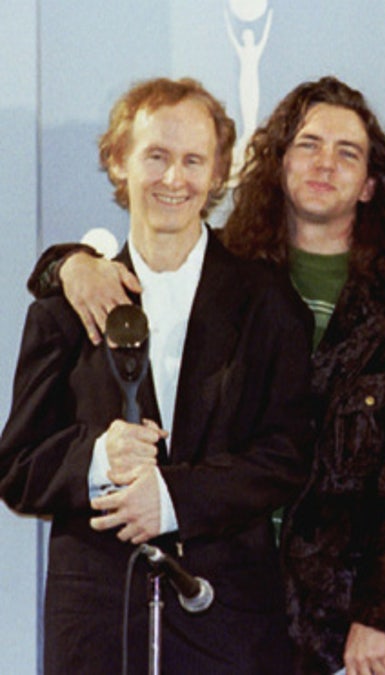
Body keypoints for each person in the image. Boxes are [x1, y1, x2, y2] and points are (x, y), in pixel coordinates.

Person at [26, 76, 385, 675]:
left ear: (371, 183)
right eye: (308, 145)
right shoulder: (234, 274)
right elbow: (153, 251)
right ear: (276, 164)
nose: (325, 164)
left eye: (348, 152)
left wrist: (381, 615)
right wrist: (68, 265)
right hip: (241, 609)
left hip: (356, 621)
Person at [0, 77, 312, 674]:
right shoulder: (65, 305)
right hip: (96, 624)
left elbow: (288, 454)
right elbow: (18, 467)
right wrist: (97, 458)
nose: (175, 179)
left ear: (219, 173)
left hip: (228, 623)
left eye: (194, 160)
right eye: (157, 157)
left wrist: (173, 498)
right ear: (118, 162)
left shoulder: (267, 301)